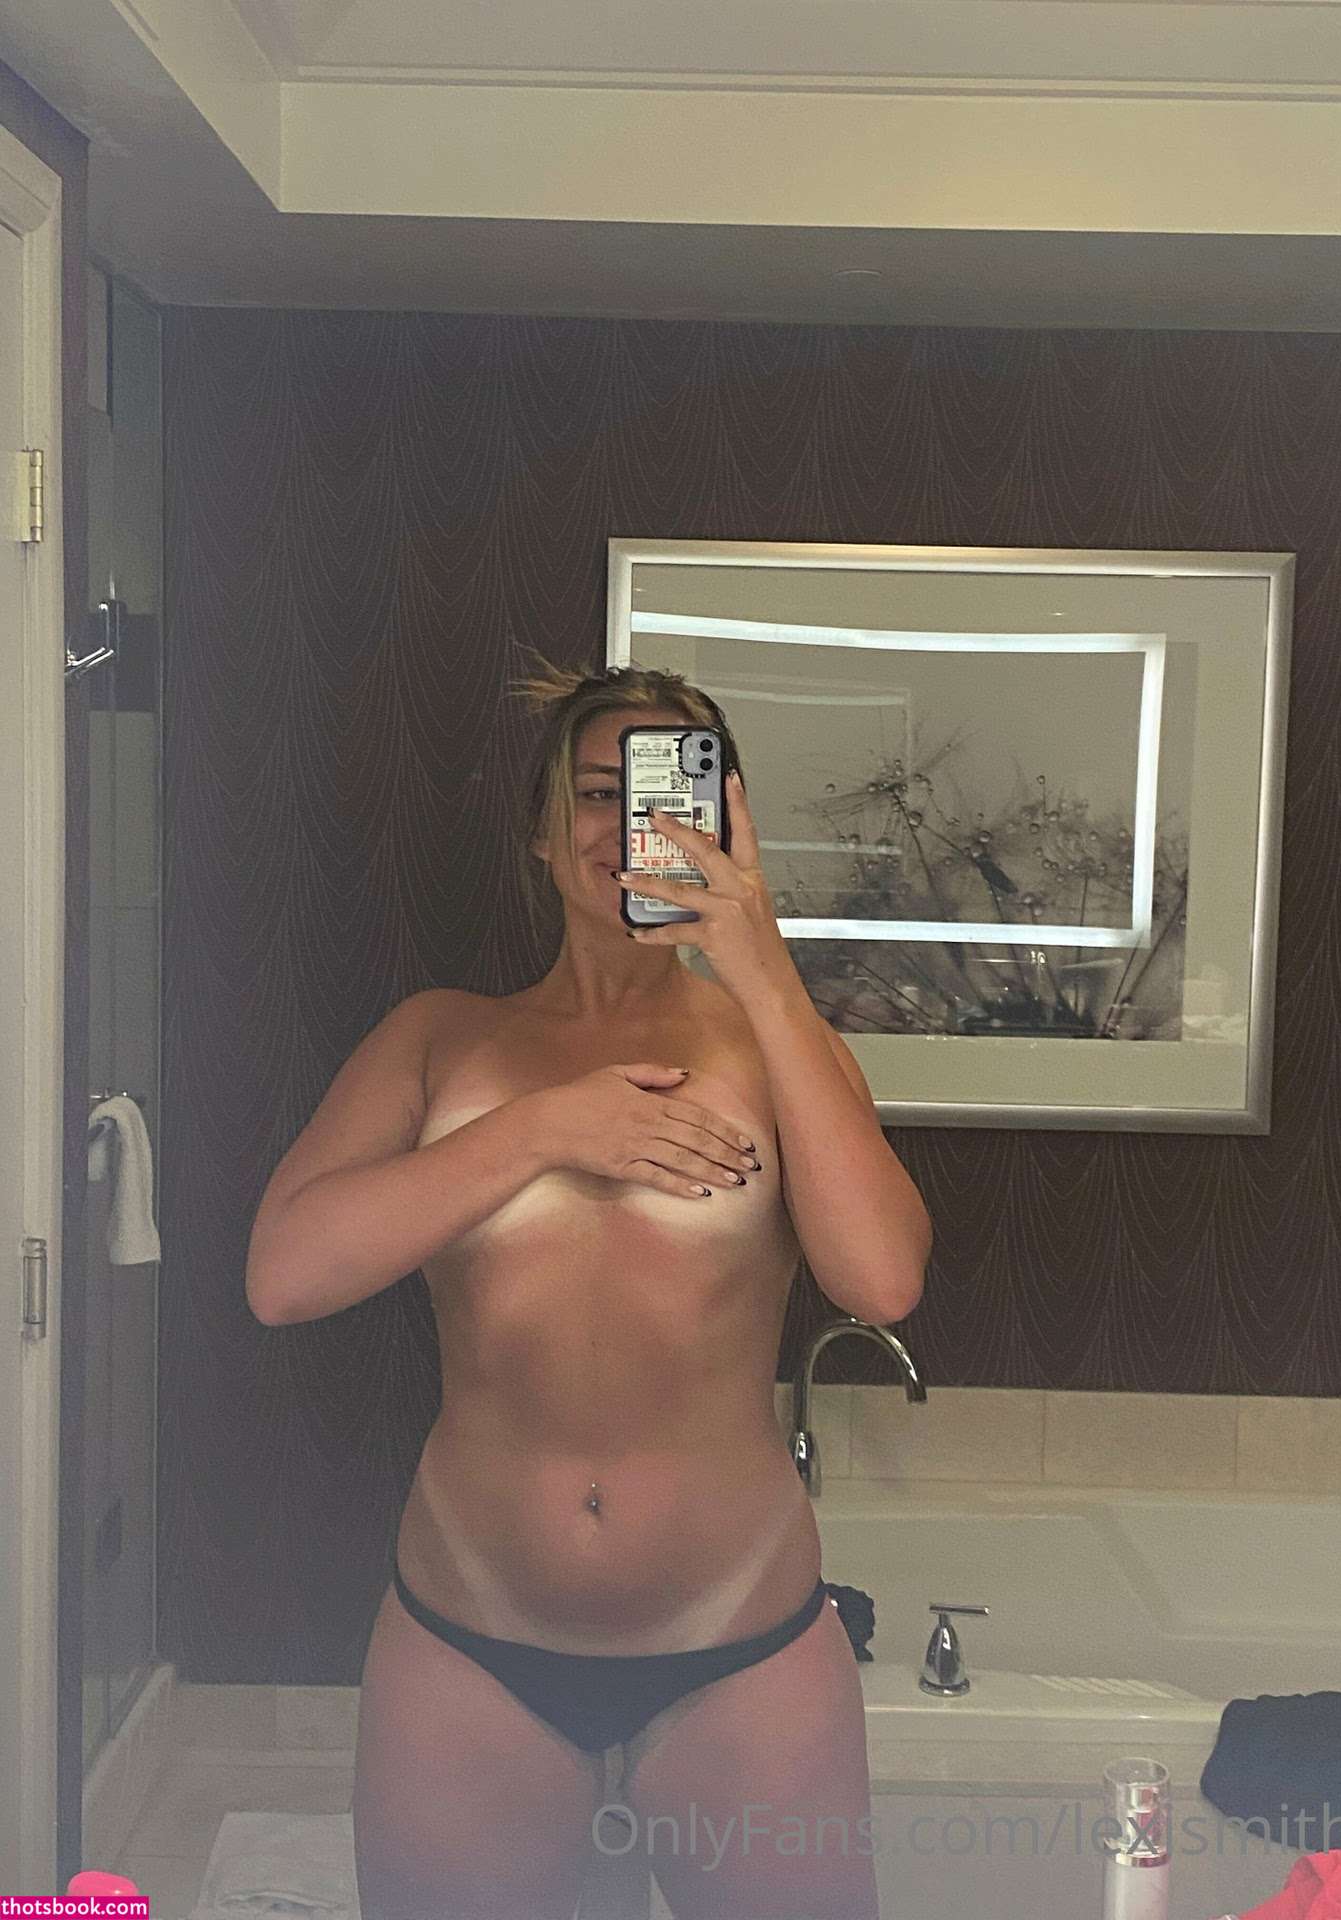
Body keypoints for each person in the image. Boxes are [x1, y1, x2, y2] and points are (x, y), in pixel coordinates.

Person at [245, 659, 932, 1920]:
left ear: (728, 823)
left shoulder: (779, 1045)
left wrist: (761, 963)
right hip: (468, 1654)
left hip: (744, 1658)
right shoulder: (441, 1038)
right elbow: (284, 1276)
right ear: (541, 831)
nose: (629, 825)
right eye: (598, 792)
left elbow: (880, 1278)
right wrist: (543, 1130)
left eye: (667, 795)